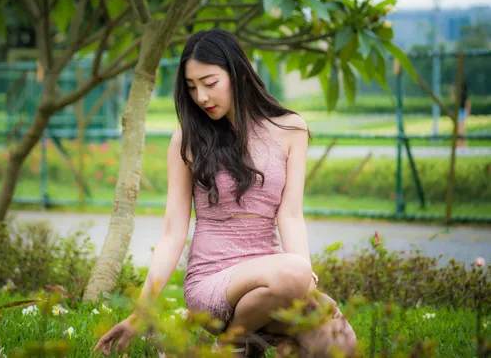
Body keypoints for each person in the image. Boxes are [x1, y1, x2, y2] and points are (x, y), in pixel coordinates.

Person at [94, 29, 357, 357]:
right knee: (295, 272)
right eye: (191, 88)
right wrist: (141, 311)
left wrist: (306, 285)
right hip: (214, 280)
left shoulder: (292, 128)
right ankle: (230, 343)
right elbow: (173, 233)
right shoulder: (188, 140)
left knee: (339, 342)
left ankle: (252, 341)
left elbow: (290, 215)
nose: (201, 97)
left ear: (237, 73)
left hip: (275, 275)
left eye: (209, 82)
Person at [457, 81, 471, 148]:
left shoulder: (464, 94)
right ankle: (460, 143)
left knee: (461, 129)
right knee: (459, 129)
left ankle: (463, 144)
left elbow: (468, 104)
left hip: (461, 112)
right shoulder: (460, 94)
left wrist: (466, 113)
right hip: (459, 112)